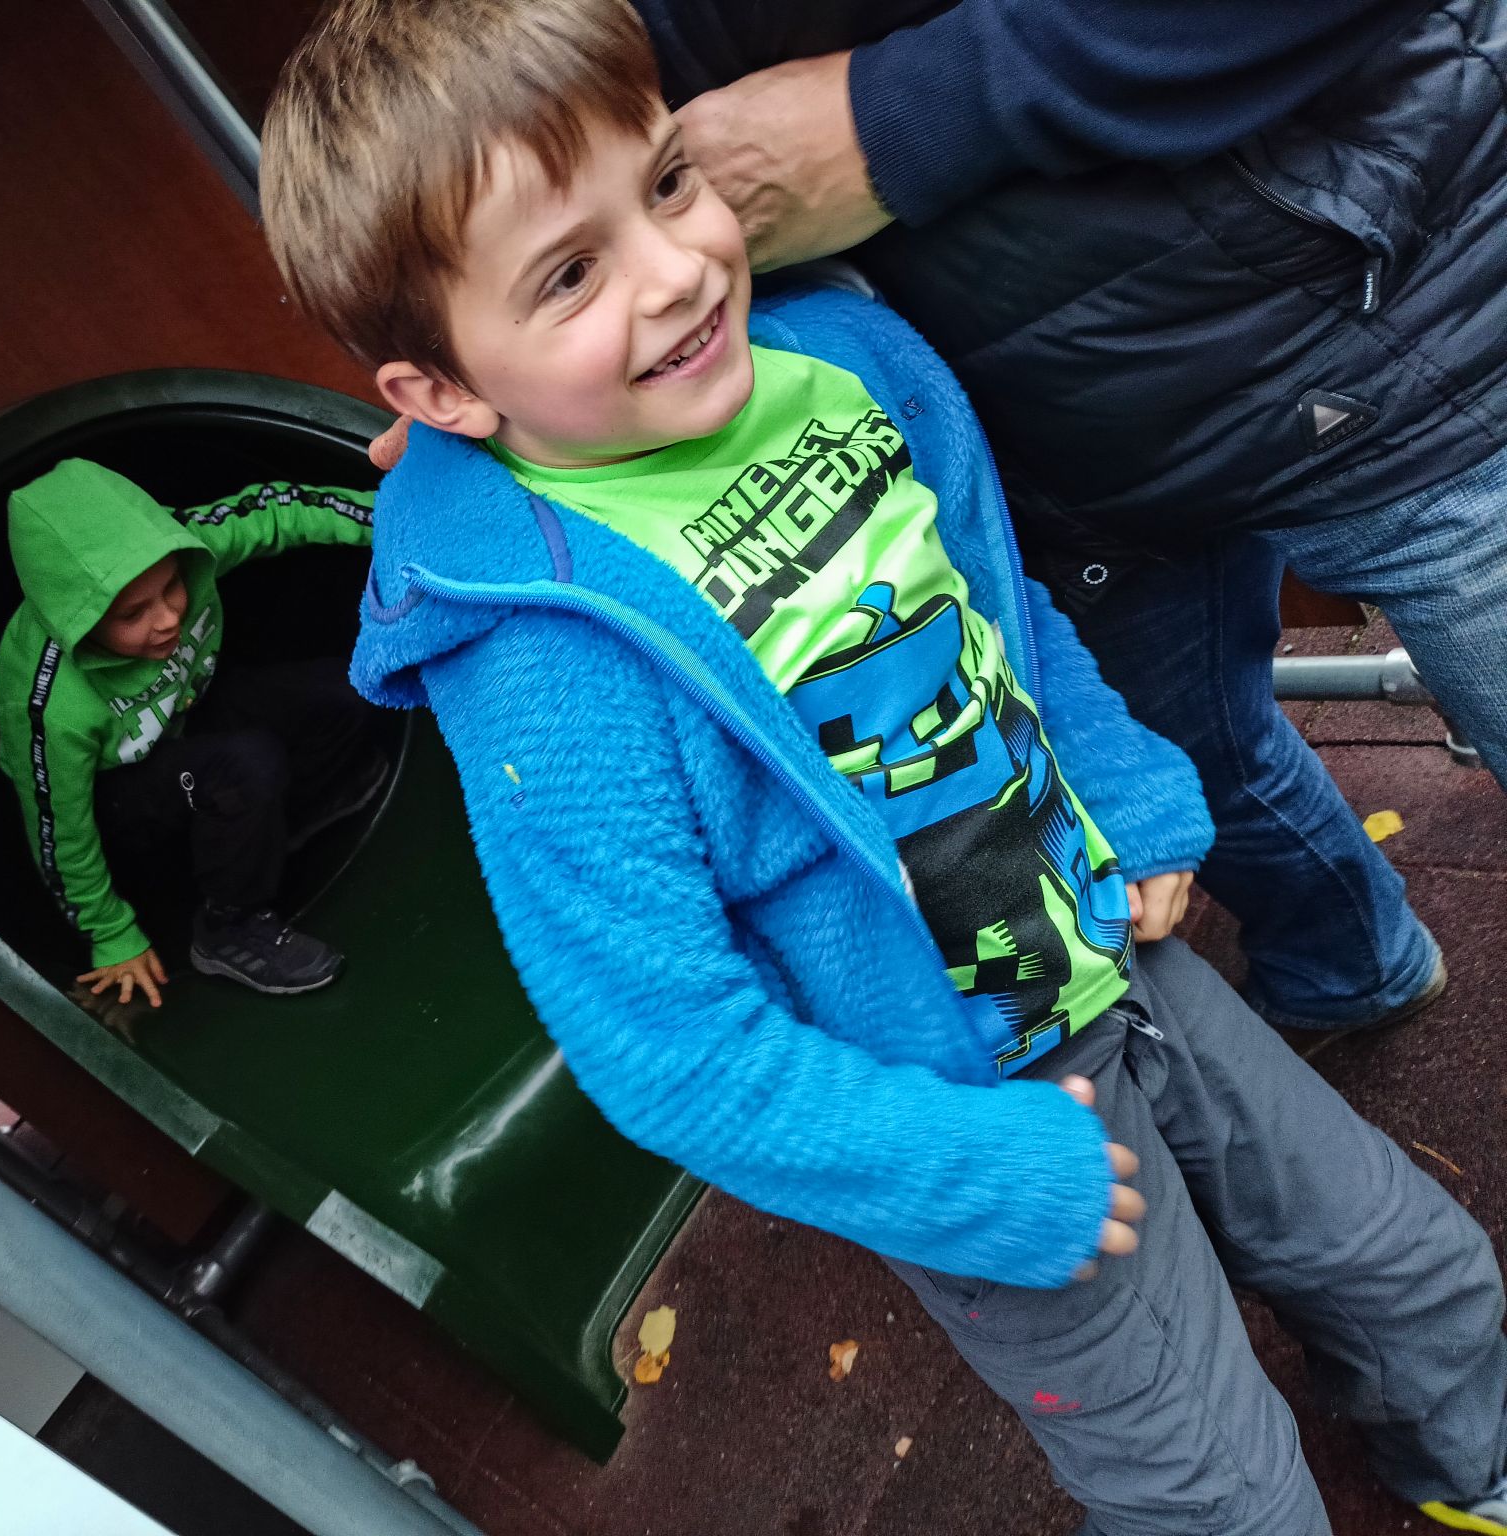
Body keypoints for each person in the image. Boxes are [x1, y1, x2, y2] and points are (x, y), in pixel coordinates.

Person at [259, 2, 1507, 1531]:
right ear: (443, 394)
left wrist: (1124, 793)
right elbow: (667, 1048)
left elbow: (996, 607)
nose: (676, 272)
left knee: (1414, 1266)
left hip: (1115, 960)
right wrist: (969, 1174)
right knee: (1214, 1488)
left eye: (666, 183)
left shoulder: (835, 360)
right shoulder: (542, 660)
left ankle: (1474, 1469)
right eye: (569, 275)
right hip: (963, 1112)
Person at [627, 0, 1507, 1045]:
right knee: (1194, 757)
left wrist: (891, 117)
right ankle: (1347, 965)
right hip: (1053, 447)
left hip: (1391, 311)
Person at [0, 457, 381, 1007]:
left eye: (173, 586)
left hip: (185, 715)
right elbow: (58, 828)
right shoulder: (50, 705)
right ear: (79, 620)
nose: (168, 618)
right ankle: (228, 926)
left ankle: (280, 830)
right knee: (245, 765)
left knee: (345, 691)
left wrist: (397, 522)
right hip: (123, 794)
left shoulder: (185, 544)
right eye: (132, 614)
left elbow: (281, 510)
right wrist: (109, 931)